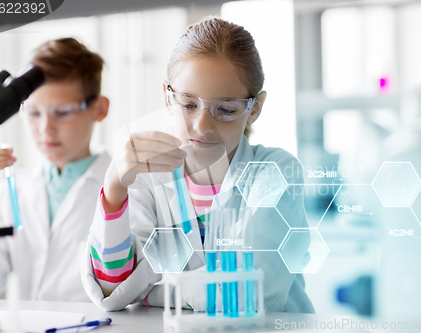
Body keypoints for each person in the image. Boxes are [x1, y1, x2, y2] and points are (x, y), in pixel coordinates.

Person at [82, 17, 314, 313]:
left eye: (225, 109)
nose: (202, 126)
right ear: (168, 98)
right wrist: (114, 187)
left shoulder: (275, 172)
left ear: (253, 108)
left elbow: (251, 294)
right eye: (189, 105)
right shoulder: (146, 176)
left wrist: (152, 293)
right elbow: (113, 290)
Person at [0, 38, 111, 302]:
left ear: (99, 109)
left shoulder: (126, 189)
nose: (46, 128)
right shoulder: (9, 190)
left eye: (62, 112)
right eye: (32, 113)